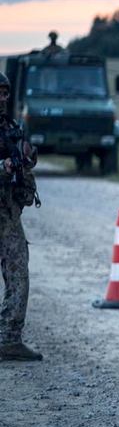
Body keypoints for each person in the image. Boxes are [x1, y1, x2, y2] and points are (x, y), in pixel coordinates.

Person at [0, 72, 42, 362]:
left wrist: (26, 159)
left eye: (4, 93)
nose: (2, 98)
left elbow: (22, 165)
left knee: (19, 276)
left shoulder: (11, 127)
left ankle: (9, 340)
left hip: (8, 213)